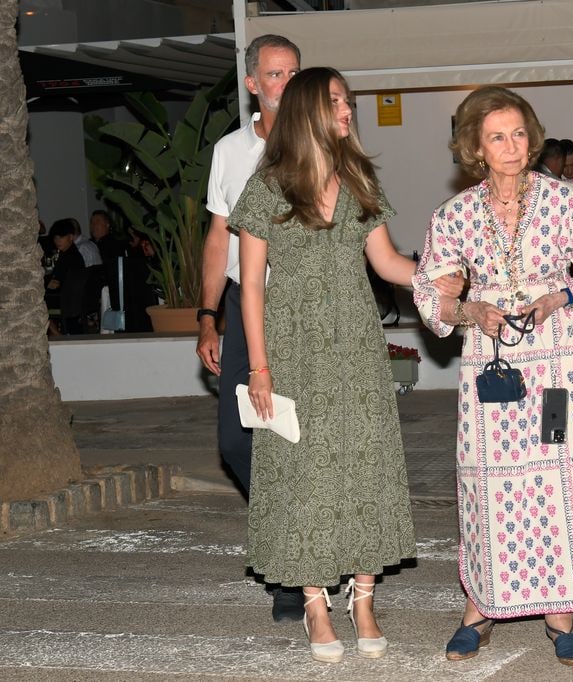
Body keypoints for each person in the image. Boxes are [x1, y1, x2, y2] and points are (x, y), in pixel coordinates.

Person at [233, 67, 461, 664]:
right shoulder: (268, 187)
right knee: (304, 473)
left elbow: (386, 263)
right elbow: (251, 287)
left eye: (349, 101)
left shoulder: (359, 178)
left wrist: (442, 280)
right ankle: (315, 602)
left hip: (356, 345)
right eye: (336, 101)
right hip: (292, 347)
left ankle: (363, 598)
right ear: (310, 108)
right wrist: (259, 368)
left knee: (364, 464)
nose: (347, 110)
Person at [413, 86, 573, 667]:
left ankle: (560, 614)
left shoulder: (565, 201)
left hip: (558, 365)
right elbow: (432, 294)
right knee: (492, 482)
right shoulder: (454, 216)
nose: (511, 147)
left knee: (556, 472)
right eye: (496, 138)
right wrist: (470, 310)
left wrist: (561, 294)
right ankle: (480, 606)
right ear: (476, 148)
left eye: (517, 134)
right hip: (492, 366)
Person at [195, 34, 304, 622]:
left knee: (297, 437)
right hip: (242, 304)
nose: (284, 82)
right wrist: (208, 316)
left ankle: (293, 571)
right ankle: (288, 535)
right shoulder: (230, 151)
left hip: (305, 304)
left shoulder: (321, 143)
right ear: (252, 83)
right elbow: (219, 239)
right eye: (274, 73)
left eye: (293, 72)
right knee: (239, 441)